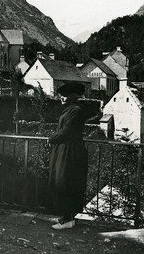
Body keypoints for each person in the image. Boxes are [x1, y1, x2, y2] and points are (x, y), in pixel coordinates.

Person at [49, 83, 88, 229]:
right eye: (61, 95)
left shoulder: (76, 111)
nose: (62, 98)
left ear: (73, 96)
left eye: (65, 95)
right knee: (61, 181)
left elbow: (67, 131)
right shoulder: (70, 110)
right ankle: (66, 217)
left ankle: (68, 219)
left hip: (71, 151)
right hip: (65, 149)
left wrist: (51, 139)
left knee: (66, 182)